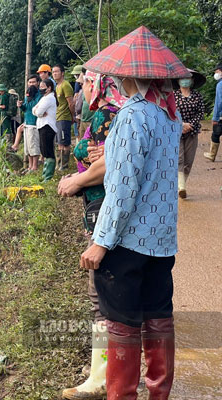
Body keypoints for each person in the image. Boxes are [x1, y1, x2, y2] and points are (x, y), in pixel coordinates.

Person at [81, 25, 190, 400]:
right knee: (159, 319)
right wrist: (111, 153)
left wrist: (100, 242)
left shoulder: (133, 114)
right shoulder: (169, 114)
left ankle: (122, 395)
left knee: (123, 324)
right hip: (161, 241)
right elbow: (150, 168)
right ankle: (159, 393)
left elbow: (123, 188)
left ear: (125, 74)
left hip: (128, 241)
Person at [58, 70, 127, 400]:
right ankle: (116, 371)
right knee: (114, 294)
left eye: (86, 81)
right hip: (105, 209)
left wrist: (78, 180)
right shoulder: (119, 112)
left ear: (99, 86)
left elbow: (109, 163)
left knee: (100, 293)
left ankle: (102, 377)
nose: (82, 87)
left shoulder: (106, 114)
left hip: (104, 210)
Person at [174, 69, 206, 198]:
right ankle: (181, 187)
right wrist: (181, 124)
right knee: (179, 159)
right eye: (182, 78)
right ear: (178, 80)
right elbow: (170, 112)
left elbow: (200, 112)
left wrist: (189, 125)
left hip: (192, 131)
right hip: (177, 130)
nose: (185, 80)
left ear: (192, 81)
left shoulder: (197, 96)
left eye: (188, 78)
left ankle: (182, 186)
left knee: (189, 160)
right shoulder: (173, 95)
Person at [33, 79, 57, 181]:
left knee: (48, 150)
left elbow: (38, 112)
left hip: (48, 126)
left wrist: (38, 112)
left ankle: (48, 176)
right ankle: (45, 174)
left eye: (43, 86)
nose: (41, 88)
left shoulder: (50, 98)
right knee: (44, 150)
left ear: (49, 88)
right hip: (42, 125)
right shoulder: (44, 97)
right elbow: (34, 109)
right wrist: (38, 111)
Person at [14, 84, 42, 172]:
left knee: (34, 146)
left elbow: (35, 107)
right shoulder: (28, 97)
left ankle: (35, 166)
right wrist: (21, 105)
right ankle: (30, 166)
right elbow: (25, 108)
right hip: (27, 123)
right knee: (28, 148)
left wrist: (28, 103)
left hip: (34, 124)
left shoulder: (39, 97)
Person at [53, 64, 75, 170]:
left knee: (65, 142)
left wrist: (72, 116)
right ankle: (59, 165)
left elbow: (71, 103)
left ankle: (64, 166)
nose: (54, 74)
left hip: (65, 117)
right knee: (59, 143)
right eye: (53, 72)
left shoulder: (65, 85)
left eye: (56, 71)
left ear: (62, 73)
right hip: (58, 117)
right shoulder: (57, 86)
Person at [204, 63, 222, 161]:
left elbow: (219, 102)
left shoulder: (220, 84)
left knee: (215, 134)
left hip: (221, 116)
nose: (215, 73)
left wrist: (215, 118)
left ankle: (212, 154)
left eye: (217, 71)